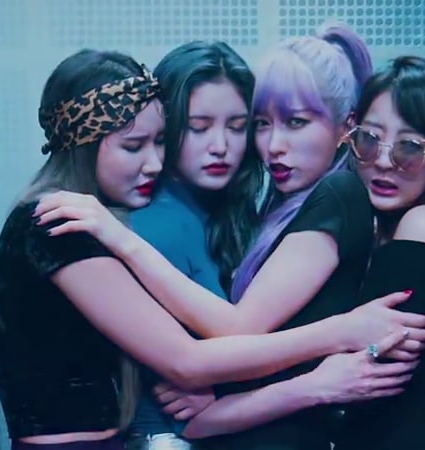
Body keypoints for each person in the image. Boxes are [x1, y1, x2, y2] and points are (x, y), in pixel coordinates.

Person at [0, 48, 425, 450]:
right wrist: (341, 335)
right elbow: (187, 362)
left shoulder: (101, 221)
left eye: (159, 141)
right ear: (82, 146)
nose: (153, 163)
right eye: (133, 146)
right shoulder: (57, 223)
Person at [329, 55, 425, 450]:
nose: (383, 161)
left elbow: (364, 363)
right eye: (369, 139)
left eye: (409, 147)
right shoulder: (379, 229)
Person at [124, 41, 264, 450]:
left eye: (236, 127)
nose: (220, 145)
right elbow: (179, 379)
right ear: (166, 129)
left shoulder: (227, 215)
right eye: (199, 127)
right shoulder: (157, 225)